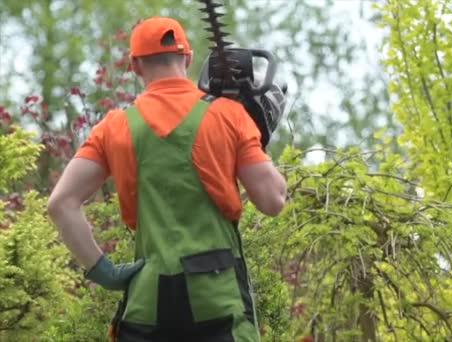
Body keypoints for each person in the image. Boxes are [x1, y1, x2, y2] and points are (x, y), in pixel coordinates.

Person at [47, 16, 287, 342]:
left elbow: (61, 204)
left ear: (135, 65)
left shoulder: (114, 127)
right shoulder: (228, 115)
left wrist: (103, 271)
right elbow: (272, 201)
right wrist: (255, 136)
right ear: (187, 59)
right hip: (217, 296)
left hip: (148, 301)